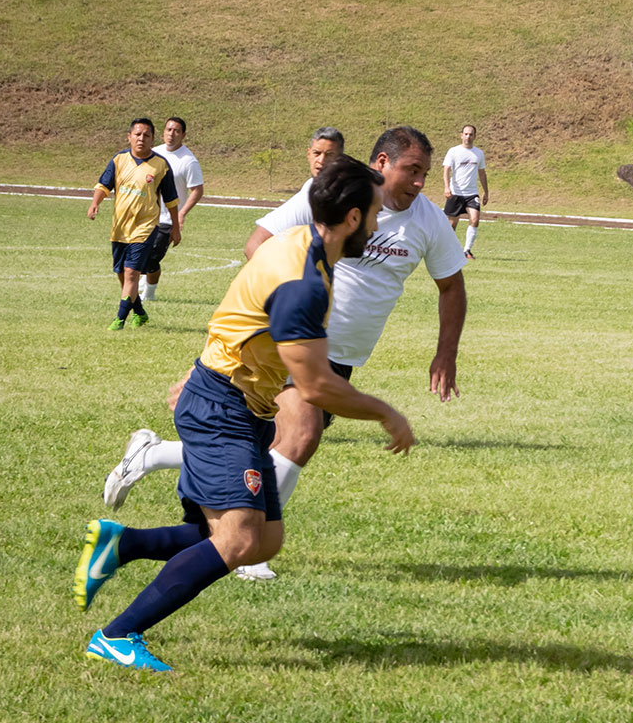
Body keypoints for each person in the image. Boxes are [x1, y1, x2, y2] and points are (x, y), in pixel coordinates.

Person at [75, 155, 415, 672]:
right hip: (223, 409)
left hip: (238, 404)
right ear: (351, 219)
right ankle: (117, 634)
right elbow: (316, 385)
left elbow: (237, 309)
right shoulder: (303, 280)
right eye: (373, 213)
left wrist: (204, 365)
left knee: (262, 543)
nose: (377, 223)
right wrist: (386, 413)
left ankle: (121, 545)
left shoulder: (303, 247)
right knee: (239, 539)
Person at [102, 127, 468, 581]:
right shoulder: (331, 195)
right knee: (301, 436)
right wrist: (277, 316)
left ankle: (151, 457)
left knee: (265, 442)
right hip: (292, 348)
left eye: (425, 174)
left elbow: (451, 284)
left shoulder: (429, 221)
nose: (419, 182)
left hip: (344, 356)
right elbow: (259, 242)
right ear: (381, 164)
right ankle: (249, 551)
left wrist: (445, 353)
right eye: (412, 170)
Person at [87, 118, 181, 330]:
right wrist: (95, 203)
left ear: (152, 139)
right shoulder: (119, 160)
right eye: (137, 134)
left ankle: (119, 320)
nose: (141, 138)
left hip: (146, 227)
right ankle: (139, 312)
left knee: (131, 274)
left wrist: (175, 228)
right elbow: (104, 185)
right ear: (129, 137)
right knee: (122, 274)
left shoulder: (160, 165)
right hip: (120, 227)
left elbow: (171, 200)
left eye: (146, 135)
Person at [243, 126, 346, 258]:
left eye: (329, 155)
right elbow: (254, 245)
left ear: (341, 159)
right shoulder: (312, 195)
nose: (321, 160)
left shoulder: (355, 189)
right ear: (308, 154)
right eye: (317, 153)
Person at [140, 117, 205, 300]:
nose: (171, 134)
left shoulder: (188, 161)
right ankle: (142, 281)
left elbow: (197, 190)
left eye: (176, 131)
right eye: (169, 130)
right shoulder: (154, 153)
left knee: (153, 256)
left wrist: (182, 213)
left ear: (183, 135)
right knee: (138, 250)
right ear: (163, 132)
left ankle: (149, 294)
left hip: (169, 218)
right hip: (147, 214)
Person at [442, 124, 489, 258]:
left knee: (474, 219)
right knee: (452, 225)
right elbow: (446, 170)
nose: (468, 136)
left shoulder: (479, 153)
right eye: (466, 134)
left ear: (475, 136)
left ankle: (467, 250)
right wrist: (447, 187)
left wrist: (486, 192)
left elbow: (482, 173)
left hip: (472, 194)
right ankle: (447, 250)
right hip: (456, 193)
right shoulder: (454, 151)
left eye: (471, 134)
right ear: (461, 135)